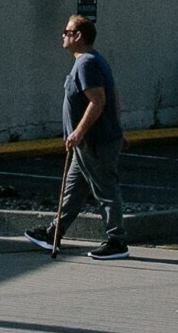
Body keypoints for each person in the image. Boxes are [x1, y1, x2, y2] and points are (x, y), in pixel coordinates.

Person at [24, 14, 129, 260]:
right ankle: (53, 233)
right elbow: (113, 95)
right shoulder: (93, 60)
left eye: (67, 32)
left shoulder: (86, 63)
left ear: (78, 36)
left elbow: (99, 101)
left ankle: (117, 241)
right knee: (72, 190)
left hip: (95, 142)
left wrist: (79, 131)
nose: (63, 35)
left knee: (105, 189)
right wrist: (117, 128)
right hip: (86, 144)